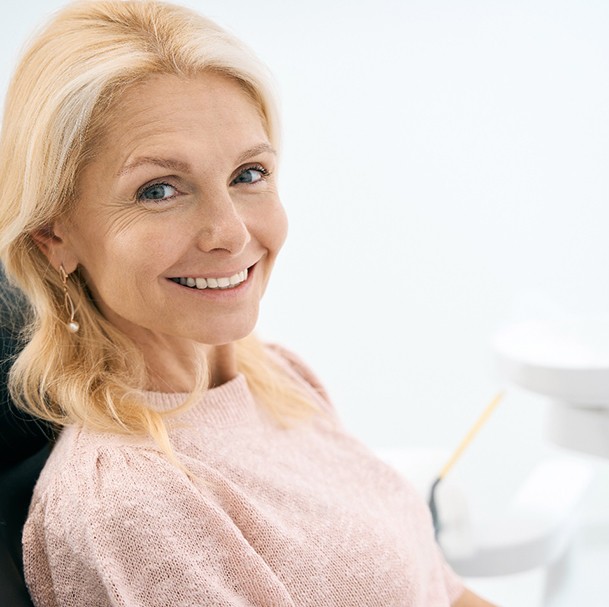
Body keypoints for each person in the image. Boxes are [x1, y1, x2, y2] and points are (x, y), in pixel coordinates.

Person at [0, 1, 495, 605]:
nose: (230, 233)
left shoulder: (277, 377)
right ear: (53, 234)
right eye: (159, 190)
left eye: (248, 174)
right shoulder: (130, 504)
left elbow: (441, 589)